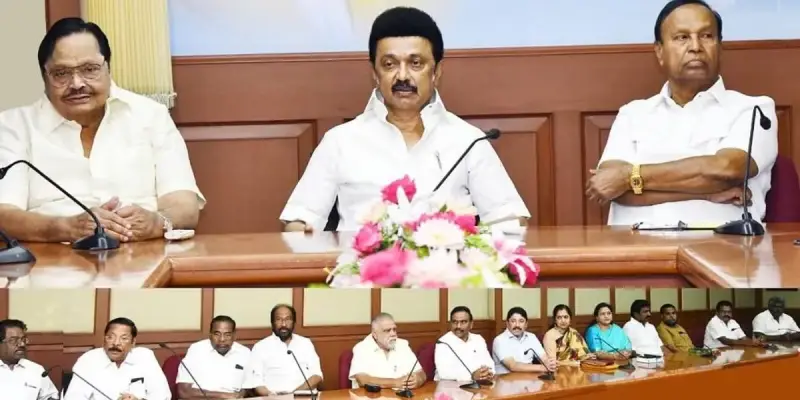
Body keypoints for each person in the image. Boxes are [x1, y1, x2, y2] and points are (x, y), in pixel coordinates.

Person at [279, 7, 528, 232]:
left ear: (437, 72)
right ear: (374, 73)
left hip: (448, 266)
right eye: (389, 64)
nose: (402, 76)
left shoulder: (468, 141)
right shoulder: (339, 141)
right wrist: (302, 234)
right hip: (360, 267)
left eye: (416, 63)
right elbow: (300, 221)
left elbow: (509, 220)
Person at [0, 17, 205, 244]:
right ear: (44, 76)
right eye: (61, 73)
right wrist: (64, 228)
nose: (77, 83)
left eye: (89, 69)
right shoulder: (13, 126)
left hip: (143, 252)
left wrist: (157, 222)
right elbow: (4, 214)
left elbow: (185, 206)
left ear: (108, 67)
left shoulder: (151, 115)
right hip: (53, 257)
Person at [585, 0, 778, 226]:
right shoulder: (632, 114)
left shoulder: (755, 109)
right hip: (636, 243)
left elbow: (726, 170)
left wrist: (629, 177)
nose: (696, 46)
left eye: (706, 36)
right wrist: (706, 193)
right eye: (682, 37)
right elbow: (610, 187)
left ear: (720, 47)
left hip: (724, 244)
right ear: (659, 51)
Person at [64, 317, 170, 400]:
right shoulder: (88, 360)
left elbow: (163, 394)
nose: (116, 343)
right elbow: (73, 397)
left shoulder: (144, 357)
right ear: (104, 339)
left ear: (133, 342)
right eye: (110, 337)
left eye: (123, 338)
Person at [246, 304, 323, 395]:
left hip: (304, 396)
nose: (284, 324)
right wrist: (272, 396)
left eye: (288, 319)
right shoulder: (260, 347)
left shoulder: (305, 343)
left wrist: (294, 394)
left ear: (294, 322)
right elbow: (257, 383)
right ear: (272, 323)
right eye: (279, 319)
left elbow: (317, 375)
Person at [177, 315, 251, 398]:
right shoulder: (196, 350)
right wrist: (223, 395)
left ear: (234, 335)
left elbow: (250, 386)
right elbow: (184, 391)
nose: (222, 339)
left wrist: (242, 393)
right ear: (210, 334)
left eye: (227, 335)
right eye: (217, 334)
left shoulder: (244, 353)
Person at [349, 313, 425, 389]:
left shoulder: (403, 345)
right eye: (387, 331)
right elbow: (362, 379)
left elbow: (421, 373)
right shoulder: (362, 348)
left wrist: (418, 380)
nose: (393, 334)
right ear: (375, 334)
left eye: (394, 329)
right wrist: (395, 382)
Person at [0, 319, 58, 400]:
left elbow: (50, 396)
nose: (22, 344)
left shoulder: (36, 370)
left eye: (23, 339)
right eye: (14, 340)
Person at [434, 306, 494, 382]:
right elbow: (444, 373)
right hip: (449, 386)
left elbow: (489, 364)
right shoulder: (443, 343)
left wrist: (487, 373)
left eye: (463, 322)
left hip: (479, 383)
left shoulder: (478, 339)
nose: (458, 326)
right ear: (450, 324)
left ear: (471, 324)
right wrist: (472, 376)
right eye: (455, 322)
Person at [492, 307, 557, 375]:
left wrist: (549, 363)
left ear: (526, 324)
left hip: (530, 378)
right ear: (507, 323)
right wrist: (543, 367)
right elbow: (513, 366)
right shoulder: (499, 340)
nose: (517, 325)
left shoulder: (531, 337)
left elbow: (543, 357)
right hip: (507, 379)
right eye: (513, 321)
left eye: (521, 321)